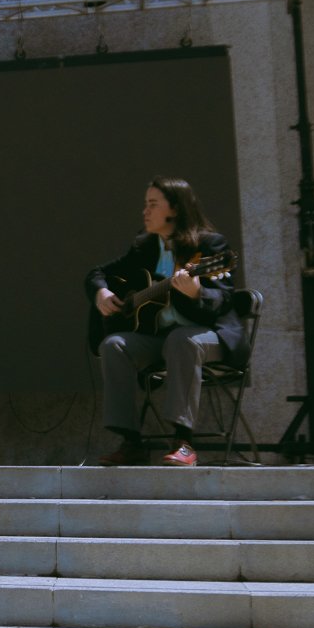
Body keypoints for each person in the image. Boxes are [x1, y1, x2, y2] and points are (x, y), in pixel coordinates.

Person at [86, 177, 244, 466]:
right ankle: (131, 443)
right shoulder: (145, 246)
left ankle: (184, 442)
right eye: (145, 204)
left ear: (174, 209)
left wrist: (197, 293)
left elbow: (223, 300)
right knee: (114, 345)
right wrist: (101, 292)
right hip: (161, 338)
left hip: (208, 336)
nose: (145, 211)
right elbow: (97, 273)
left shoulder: (210, 245)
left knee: (181, 340)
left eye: (152, 204)